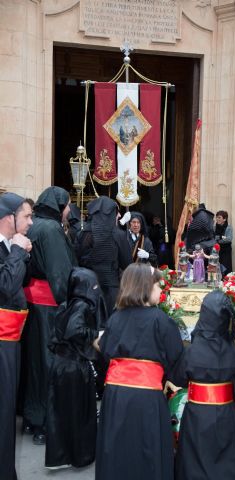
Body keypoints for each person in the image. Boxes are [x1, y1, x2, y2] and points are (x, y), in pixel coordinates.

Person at [95, 263, 184, 480]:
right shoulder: (161, 321)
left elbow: (104, 348)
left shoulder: (115, 319)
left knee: (116, 451)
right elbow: (178, 366)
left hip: (115, 397)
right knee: (148, 453)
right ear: (145, 287)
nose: (161, 290)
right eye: (157, 285)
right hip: (147, 399)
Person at [172, 291, 235, 480]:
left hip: (196, 418)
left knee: (194, 463)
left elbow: (178, 378)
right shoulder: (234, 355)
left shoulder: (191, 352)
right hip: (226, 417)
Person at [22, 186, 77, 445]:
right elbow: (60, 273)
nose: (69, 211)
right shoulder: (52, 229)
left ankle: (32, 416)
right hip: (49, 305)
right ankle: (45, 421)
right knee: (48, 364)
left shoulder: (34, 225)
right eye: (66, 205)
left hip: (32, 303)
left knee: (33, 362)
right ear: (59, 206)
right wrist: (71, 304)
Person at [45, 267, 107, 470]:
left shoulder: (67, 304)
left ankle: (60, 455)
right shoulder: (82, 306)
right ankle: (80, 455)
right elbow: (75, 330)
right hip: (73, 367)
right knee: (79, 413)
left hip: (61, 365)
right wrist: (95, 335)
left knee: (62, 414)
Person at [0, 192, 33, 480]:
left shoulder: (11, 246)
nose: (31, 222)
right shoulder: (8, 249)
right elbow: (7, 287)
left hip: (10, 340)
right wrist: (17, 253)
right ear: (8, 218)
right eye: (26, 216)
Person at [75, 196, 132, 318]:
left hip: (88, 288)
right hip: (110, 290)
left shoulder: (83, 233)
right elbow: (127, 263)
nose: (119, 216)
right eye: (116, 213)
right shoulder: (118, 235)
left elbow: (76, 259)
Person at [215, 210, 233, 275]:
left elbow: (229, 239)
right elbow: (213, 238)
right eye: (216, 217)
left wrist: (219, 238)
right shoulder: (214, 227)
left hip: (226, 251)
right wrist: (222, 237)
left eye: (219, 217)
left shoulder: (229, 228)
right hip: (216, 251)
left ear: (224, 219)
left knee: (226, 267)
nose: (217, 219)